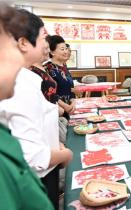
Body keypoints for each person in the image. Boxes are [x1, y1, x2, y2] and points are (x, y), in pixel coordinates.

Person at [0, 9, 73, 210]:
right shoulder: (19, 83)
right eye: (43, 37)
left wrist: (56, 143)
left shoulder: (28, 78)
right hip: (40, 172)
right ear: (23, 43)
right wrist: (65, 155)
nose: (46, 44)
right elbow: (32, 156)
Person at [45, 35, 76, 119]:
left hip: (70, 110)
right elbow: (50, 93)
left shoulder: (64, 66)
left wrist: (73, 101)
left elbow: (71, 88)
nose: (66, 51)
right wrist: (65, 106)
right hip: (58, 113)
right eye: (62, 49)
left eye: (66, 48)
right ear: (52, 52)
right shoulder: (48, 69)